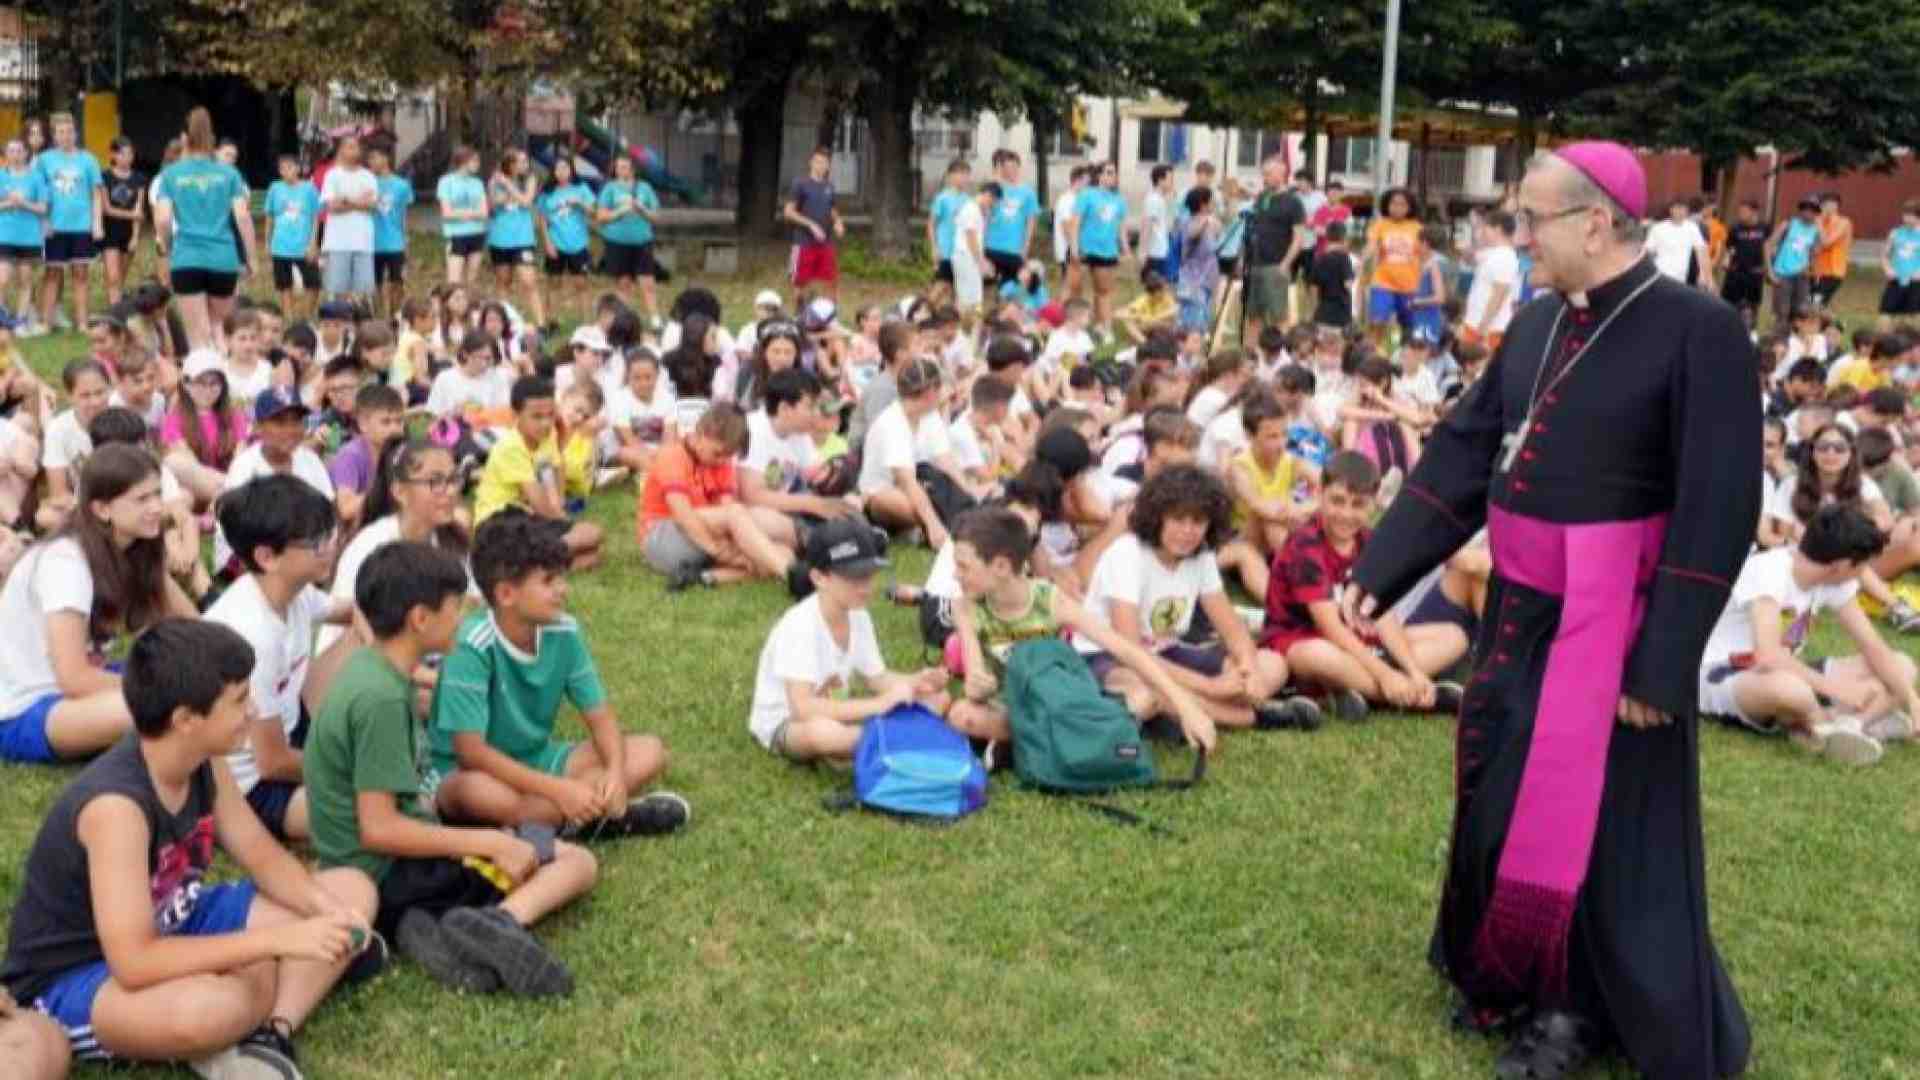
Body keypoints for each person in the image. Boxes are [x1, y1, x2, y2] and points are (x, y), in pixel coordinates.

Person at [1339, 142, 1758, 1078]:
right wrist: (1384, 563)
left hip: (1617, 628)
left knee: (1593, 821)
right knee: (1502, 784)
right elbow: (1466, 447)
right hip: (1518, 608)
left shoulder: (1698, 330)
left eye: (1532, 219)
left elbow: (1720, 504)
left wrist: (1663, 661)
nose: (1517, 235)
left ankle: (1575, 1010)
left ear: (1596, 223)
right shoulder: (1536, 322)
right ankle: (1508, 967)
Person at [0, 618, 376, 1076]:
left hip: (176, 918)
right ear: (185, 720)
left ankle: (270, 1031)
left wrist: (324, 910)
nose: (253, 709)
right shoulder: (117, 808)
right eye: (239, 700)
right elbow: (134, 961)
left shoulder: (203, 759)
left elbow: (259, 852)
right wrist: (280, 941)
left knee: (352, 890)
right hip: (84, 971)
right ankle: (260, 992)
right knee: (211, 1008)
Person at [304, 541, 596, 995]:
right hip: (392, 870)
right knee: (576, 861)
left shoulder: (371, 668)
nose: (463, 616)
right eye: (455, 607)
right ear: (420, 618)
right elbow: (379, 829)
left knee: (515, 840)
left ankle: (419, 922)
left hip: (375, 867)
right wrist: (490, 842)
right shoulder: (381, 699)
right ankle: (499, 921)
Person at [427, 510, 687, 835]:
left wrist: (615, 773)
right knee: (477, 793)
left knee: (650, 751)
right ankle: (587, 816)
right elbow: (471, 753)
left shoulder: (564, 631)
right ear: (506, 594)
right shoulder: (472, 644)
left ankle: (566, 816)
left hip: (537, 759)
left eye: (562, 577)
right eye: (548, 581)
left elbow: (601, 717)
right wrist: (558, 790)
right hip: (468, 772)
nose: (563, 589)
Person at [944, 506, 1219, 755]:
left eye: (963, 566)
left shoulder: (1049, 600)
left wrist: (1186, 706)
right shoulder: (965, 607)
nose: (956, 574)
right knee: (962, 715)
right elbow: (975, 681)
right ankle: (1082, 739)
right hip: (1013, 709)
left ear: (1002, 567)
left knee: (1143, 699)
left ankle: (1030, 746)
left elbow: (1125, 649)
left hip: (1061, 704)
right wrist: (978, 686)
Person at [1078, 464, 1319, 732]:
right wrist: (1210, 687)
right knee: (1144, 689)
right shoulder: (1128, 553)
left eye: (1198, 521)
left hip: (1165, 650)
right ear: (1157, 516)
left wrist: (1248, 669)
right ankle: (1250, 717)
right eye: (1178, 519)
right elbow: (1130, 650)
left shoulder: (1201, 555)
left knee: (1273, 665)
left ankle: (1182, 713)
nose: (1188, 531)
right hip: (1110, 656)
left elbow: (1232, 629)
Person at [0, 446, 197, 764]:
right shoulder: (66, 561)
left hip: (84, 689)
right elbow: (74, 678)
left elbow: (193, 631)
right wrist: (160, 689)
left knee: (193, 671)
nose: (156, 507)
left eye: (157, 494)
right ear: (103, 509)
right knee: (167, 707)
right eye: (142, 499)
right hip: (28, 707)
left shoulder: (135, 546)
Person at [1699, 503, 1915, 765]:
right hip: (1726, 671)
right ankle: (1827, 726)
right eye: (1863, 565)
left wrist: (1912, 701)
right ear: (1842, 565)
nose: (1864, 574)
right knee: (1791, 691)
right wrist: (1839, 690)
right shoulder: (1769, 571)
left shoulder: (1836, 581)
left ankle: (1852, 725)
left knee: (1902, 666)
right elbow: (1767, 656)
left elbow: (1873, 646)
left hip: (1787, 670)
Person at [1257, 450, 1464, 720]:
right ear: (1319, 494)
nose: (1346, 514)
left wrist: (1413, 670)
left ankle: (1362, 688)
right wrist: (1385, 674)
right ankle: (1401, 697)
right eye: (1337, 501)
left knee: (1453, 636)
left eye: (1358, 504)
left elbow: (1382, 614)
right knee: (1317, 655)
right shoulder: (1304, 544)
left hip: (1360, 643)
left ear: (1373, 504)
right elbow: (1330, 628)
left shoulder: (1369, 540)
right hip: (1305, 641)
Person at [206, 476, 352, 844]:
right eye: (316, 542)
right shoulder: (252, 635)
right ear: (267, 557)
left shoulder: (295, 593)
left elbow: (356, 612)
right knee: (371, 812)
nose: (329, 548)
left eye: (329, 535)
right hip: (252, 784)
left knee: (367, 631)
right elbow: (271, 762)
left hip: (291, 729)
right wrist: (353, 774)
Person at [748, 517, 949, 761]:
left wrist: (915, 681)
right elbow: (802, 708)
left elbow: (877, 679)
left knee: (937, 699)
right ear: (819, 578)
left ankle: (884, 741)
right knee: (822, 734)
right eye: (853, 577)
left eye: (868, 575)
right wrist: (880, 704)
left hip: (832, 711)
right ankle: (894, 740)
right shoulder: (800, 625)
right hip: (788, 723)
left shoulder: (857, 615)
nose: (865, 587)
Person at [637, 401, 800, 590]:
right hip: (662, 539)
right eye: (718, 453)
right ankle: (792, 576)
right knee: (736, 515)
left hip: (701, 538)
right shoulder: (672, 455)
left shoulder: (722, 463)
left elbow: (726, 511)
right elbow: (683, 515)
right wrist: (719, 551)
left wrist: (737, 549)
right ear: (701, 434)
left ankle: (704, 577)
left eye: (729, 455)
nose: (722, 460)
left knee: (783, 554)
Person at [472, 375, 605, 570]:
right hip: (497, 522)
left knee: (594, 535)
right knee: (585, 546)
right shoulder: (510, 447)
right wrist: (559, 519)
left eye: (550, 415)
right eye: (537, 416)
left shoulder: (547, 435)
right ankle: (539, 559)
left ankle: (537, 562)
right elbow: (537, 501)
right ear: (516, 415)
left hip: (527, 518)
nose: (545, 423)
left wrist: (559, 501)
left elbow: (558, 467)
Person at [151, 107, 255, 351]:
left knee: (196, 335)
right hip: (223, 259)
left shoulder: (170, 175)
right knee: (220, 329)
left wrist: (167, 247)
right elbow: (242, 216)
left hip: (187, 258)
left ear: (184, 137)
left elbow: (163, 220)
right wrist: (251, 257)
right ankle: (224, 367)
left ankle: (201, 370)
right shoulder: (229, 173)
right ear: (211, 138)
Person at [211, 387, 337, 573]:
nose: (290, 430)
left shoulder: (310, 460)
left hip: (300, 553)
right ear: (258, 427)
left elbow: (330, 514)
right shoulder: (245, 467)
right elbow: (241, 534)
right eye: (280, 422)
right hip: (248, 559)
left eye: (296, 421)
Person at [858, 358, 952, 549]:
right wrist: (933, 524)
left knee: (955, 493)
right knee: (901, 503)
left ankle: (925, 527)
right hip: (885, 493)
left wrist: (969, 495)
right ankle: (928, 528)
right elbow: (906, 482)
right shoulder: (891, 424)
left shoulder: (930, 415)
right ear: (931, 392)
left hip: (923, 486)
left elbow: (947, 463)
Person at [32, 112, 102, 335]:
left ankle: (81, 323)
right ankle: (46, 322)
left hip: (81, 226)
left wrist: (97, 223)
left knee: (81, 274)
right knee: (52, 274)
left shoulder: (89, 160)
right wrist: (43, 221)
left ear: (76, 133)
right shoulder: (44, 160)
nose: (66, 136)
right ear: (54, 136)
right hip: (54, 226)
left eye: (70, 131)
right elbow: (38, 193)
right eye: (61, 132)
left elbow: (96, 194)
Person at [1241, 154, 1306, 346]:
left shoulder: (1293, 202)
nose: (1264, 178)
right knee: (1253, 316)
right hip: (1255, 264)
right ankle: (1252, 354)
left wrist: (1285, 264)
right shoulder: (1262, 198)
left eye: (1268, 174)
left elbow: (1298, 237)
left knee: (1278, 317)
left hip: (1276, 266)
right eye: (1263, 174)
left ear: (1281, 174)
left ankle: (1281, 353)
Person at [1064, 160, 1131, 336]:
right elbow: (1075, 222)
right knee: (1074, 289)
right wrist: (1074, 248)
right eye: (1109, 172)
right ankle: (1069, 326)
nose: (1113, 176)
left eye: (1114, 172)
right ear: (1099, 175)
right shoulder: (1087, 195)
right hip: (1084, 249)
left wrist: (1126, 249)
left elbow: (1121, 228)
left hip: (1107, 251)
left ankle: (1104, 328)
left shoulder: (1119, 200)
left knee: (1103, 291)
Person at [596, 154, 662, 325]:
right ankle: (624, 320)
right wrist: (620, 211)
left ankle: (655, 320)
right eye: (618, 167)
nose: (621, 170)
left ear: (633, 169)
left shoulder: (645, 188)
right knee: (623, 283)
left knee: (647, 282)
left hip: (642, 242)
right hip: (617, 242)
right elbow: (601, 216)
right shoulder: (610, 188)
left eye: (624, 167)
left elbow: (656, 217)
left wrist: (641, 209)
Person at [485, 149, 546, 329]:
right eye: (521, 161)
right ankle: (504, 323)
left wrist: (507, 186)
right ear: (510, 164)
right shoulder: (494, 180)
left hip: (523, 239)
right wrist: (503, 194)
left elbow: (526, 201)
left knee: (529, 281)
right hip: (500, 238)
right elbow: (492, 204)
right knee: (503, 282)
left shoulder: (530, 179)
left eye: (526, 161)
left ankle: (541, 325)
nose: (525, 165)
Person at [318, 135, 378, 303]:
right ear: (341, 150)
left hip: (363, 242)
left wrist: (345, 199)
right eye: (349, 146)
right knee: (338, 292)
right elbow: (332, 207)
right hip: (338, 243)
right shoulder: (332, 175)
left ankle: (360, 317)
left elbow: (372, 206)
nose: (353, 150)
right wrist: (359, 202)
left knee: (363, 293)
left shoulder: (368, 176)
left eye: (356, 146)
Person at [264, 153, 322, 320]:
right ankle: (288, 317)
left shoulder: (309, 189)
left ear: (298, 168)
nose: (286, 171)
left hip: (303, 246)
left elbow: (316, 218)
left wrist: (313, 243)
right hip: (280, 245)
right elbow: (269, 217)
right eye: (282, 168)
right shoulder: (275, 188)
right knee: (284, 284)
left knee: (314, 282)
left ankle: (307, 314)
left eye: (289, 167)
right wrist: (268, 242)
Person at [1363, 188, 1422, 347]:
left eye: (1402, 204)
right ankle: (1372, 354)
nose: (1397, 208)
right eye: (1394, 203)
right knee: (1377, 322)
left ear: (1409, 207)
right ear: (1387, 205)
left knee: (1409, 328)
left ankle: (1403, 356)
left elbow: (1425, 256)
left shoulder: (1417, 228)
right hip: (1383, 283)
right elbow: (1371, 245)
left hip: (1410, 287)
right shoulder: (1380, 225)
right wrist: (1364, 258)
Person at [784, 146, 844, 300]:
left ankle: (829, 311)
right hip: (803, 242)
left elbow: (832, 209)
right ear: (811, 162)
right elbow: (788, 212)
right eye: (817, 162)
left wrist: (838, 222)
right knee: (800, 284)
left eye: (824, 162)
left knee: (832, 282)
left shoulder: (829, 186)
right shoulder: (800, 184)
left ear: (828, 166)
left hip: (825, 242)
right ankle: (800, 312)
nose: (821, 166)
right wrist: (811, 225)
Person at [1460, 211, 1520, 353]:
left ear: (1497, 229)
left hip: (1489, 329)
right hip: (1474, 323)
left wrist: (1483, 327)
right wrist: (1476, 237)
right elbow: (1468, 258)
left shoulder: (1505, 257)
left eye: (1486, 228)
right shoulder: (1491, 253)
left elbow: (1499, 295)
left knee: (1481, 363)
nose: (1483, 232)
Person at [0, 137, 46, 311]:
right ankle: (2, 316)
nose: (15, 155)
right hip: (4, 236)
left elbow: (42, 208)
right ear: (5, 154)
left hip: (29, 238)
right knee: (2, 279)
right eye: (11, 151)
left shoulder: (36, 177)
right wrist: (9, 203)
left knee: (25, 281)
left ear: (26, 153)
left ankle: (21, 319)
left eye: (19, 151)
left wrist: (24, 203)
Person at [99, 136, 144, 308]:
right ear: (113, 155)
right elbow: (107, 209)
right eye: (123, 154)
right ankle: (115, 313)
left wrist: (135, 236)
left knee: (121, 276)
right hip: (110, 231)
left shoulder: (139, 178)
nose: (127, 158)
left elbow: (139, 207)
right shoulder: (105, 176)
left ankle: (116, 306)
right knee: (113, 276)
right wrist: (133, 215)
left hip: (128, 232)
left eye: (130, 154)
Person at [983, 149, 1040, 283]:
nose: (1011, 171)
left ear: (1019, 167)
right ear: (1002, 169)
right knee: (985, 284)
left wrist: (1025, 248)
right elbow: (985, 215)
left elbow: (1031, 222)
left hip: (1013, 249)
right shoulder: (995, 189)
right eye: (1007, 168)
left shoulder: (1028, 193)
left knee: (1011, 287)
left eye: (1014, 167)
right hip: (991, 246)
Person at [369, 147, 413, 317]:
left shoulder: (402, 185)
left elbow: (404, 215)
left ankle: (395, 316)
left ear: (386, 158)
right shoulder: (367, 183)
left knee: (397, 282)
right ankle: (379, 315)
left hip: (395, 242)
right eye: (370, 158)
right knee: (375, 283)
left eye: (374, 157)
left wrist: (406, 239)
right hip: (372, 243)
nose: (371, 162)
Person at [436, 145, 489, 286]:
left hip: (477, 233)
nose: (478, 164)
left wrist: (460, 213)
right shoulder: (446, 181)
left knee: (472, 280)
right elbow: (447, 213)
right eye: (475, 161)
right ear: (463, 161)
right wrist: (473, 213)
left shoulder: (477, 183)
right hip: (456, 235)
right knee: (454, 281)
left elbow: (484, 212)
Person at [1766, 196, 1821, 329]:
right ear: (1800, 210)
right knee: (1782, 312)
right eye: (1806, 208)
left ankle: (1794, 338)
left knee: (1800, 312)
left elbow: (1813, 254)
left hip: (1802, 276)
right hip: (1783, 274)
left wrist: (1813, 270)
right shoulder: (1788, 225)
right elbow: (1767, 245)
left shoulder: (1815, 231)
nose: (1809, 212)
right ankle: (1779, 337)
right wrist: (1770, 271)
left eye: (1813, 210)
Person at [926, 158, 972, 305]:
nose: (964, 178)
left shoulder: (969, 200)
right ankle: (922, 312)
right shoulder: (942, 198)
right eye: (961, 174)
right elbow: (931, 224)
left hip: (962, 252)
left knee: (959, 290)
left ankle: (954, 317)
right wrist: (934, 248)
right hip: (945, 251)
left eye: (967, 175)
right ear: (951, 176)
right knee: (940, 286)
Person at [1177, 186, 1222, 333]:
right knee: (1192, 325)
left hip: (1208, 280)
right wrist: (1205, 221)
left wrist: (1211, 222)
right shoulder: (1188, 222)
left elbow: (1218, 233)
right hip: (1193, 282)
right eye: (1211, 201)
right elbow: (1192, 233)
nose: (1213, 204)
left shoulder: (1211, 223)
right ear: (1203, 205)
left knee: (1203, 323)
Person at [1644, 198, 1712, 290]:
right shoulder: (1658, 228)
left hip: (1680, 278)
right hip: (1660, 275)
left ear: (1687, 211)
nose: (1680, 212)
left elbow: (1701, 251)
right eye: (1677, 208)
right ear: (1671, 210)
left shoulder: (1692, 228)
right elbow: (1648, 252)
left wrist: (1703, 274)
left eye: (1683, 209)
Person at [952, 180, 997, 316]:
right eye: (993, 201)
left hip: (968, 256)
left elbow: (979, 236)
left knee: (970, 295)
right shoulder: (971, 209)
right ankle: (972, 321)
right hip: (966, 256)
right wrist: (981, 261)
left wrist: (986, 215)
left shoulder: (976, 209)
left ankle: (969, 320)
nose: (992, 205)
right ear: (988, 195)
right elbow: (971, 238)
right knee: (972, 296)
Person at [1307, 222, 1357, 331]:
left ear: (1327, 238)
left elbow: (1313, 288)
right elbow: (1348, 284)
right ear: (1344, 239)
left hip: (1322, 314)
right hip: (1341, 314)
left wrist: (1313, 311)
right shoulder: (1344, 258)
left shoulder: (1319, 259)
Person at [1879, 199, 1920, 319]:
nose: (1906, 218)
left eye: (1910, 215)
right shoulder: (1895, 233)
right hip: (1896, 279)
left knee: (1914, 317)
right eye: (1905, 215)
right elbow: (1885, 255)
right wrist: (1888, 269)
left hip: (1916, 282)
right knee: (1885, 314)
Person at [1811, 192, 1853, 309]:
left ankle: (1829, 320)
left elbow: (1826, 242)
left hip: (1833, 271)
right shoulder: (1818, 221)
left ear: (1836, 206)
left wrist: (1819, 223)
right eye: (1823, 204)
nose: (1826, 207)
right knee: (1811, 303)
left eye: (1830, 204)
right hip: (1815, 271)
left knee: (1816, 304)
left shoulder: (1843, 222)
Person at [1142, 164, 1175, 282]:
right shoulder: (1153, 200)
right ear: (1161, 180)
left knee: (1163, 286)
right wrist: (1143, 251)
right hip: (1155, 252)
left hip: (1162, 250)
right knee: (1156, 286)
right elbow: (1147, 225)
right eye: (1170, 179)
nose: (1172, 183)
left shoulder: (1161, 199)